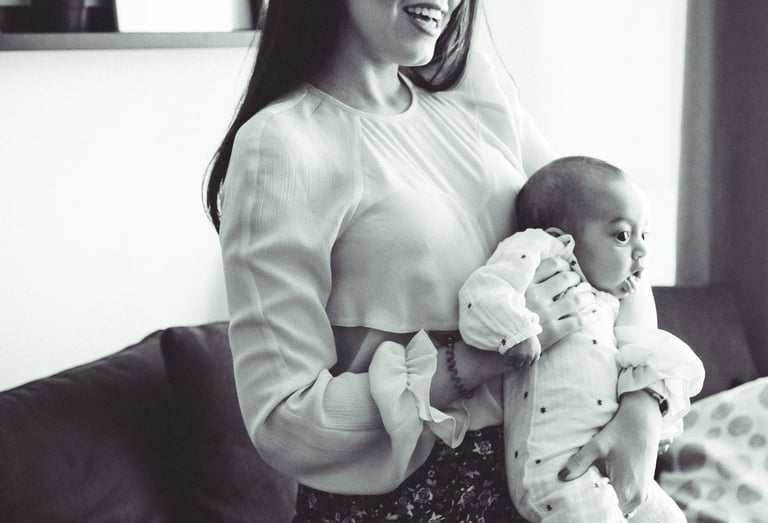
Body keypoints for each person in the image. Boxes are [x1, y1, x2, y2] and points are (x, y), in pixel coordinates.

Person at [205, 1, 680, 520]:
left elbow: (613, 239)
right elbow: (284, 423)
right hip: (411, 501)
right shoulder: (282, 143)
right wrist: (485, 358)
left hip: (567, 484)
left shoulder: (475, 99)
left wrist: (642, 406)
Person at [458, 156, 705, 522]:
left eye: (644, 235)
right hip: (560, 471)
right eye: (622, 235)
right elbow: (483, 293)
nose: (641, 250)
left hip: (607, 456)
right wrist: (516, 328)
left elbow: (647, 352)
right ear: (562, 236)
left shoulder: (609, 300)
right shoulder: (540, 252)